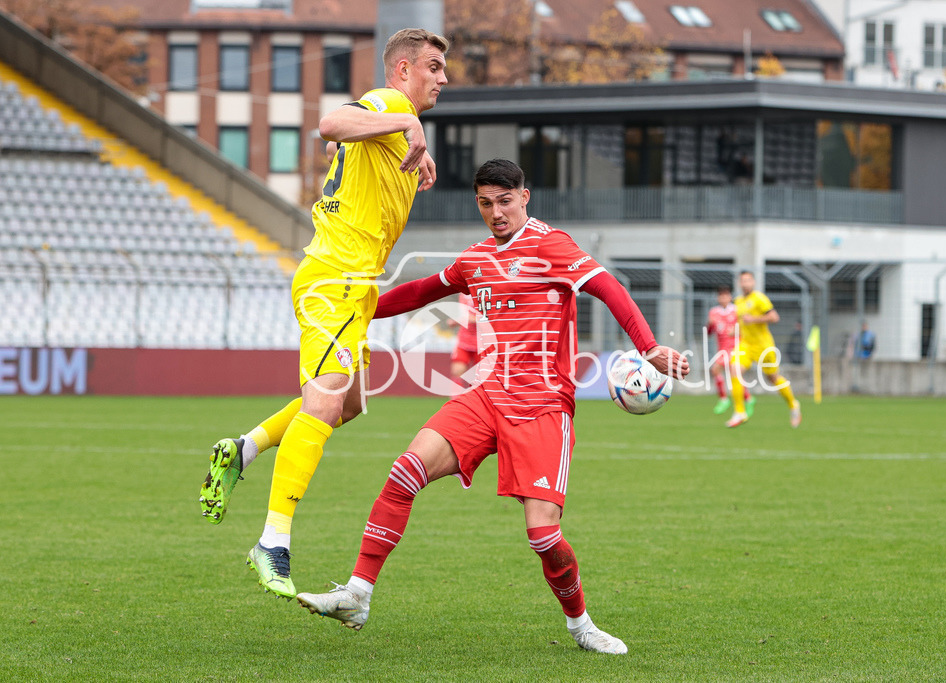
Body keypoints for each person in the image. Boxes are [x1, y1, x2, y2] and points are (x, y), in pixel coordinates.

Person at [294, 159, 689, 654]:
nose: (496, 213)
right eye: (485, 203)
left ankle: (581, 625)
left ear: (526, 196)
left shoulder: (552, 246)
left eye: (505, 201)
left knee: (544, 536)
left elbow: (610, 290)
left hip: (543, 404)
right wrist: (358, 308)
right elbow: (422, 291)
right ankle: (357, 593)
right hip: (486, 396)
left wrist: (649, 347)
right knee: (403, 473)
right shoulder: (476, 258)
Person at [198, 28, 450, 601]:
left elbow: (344, 146)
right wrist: (404, 122)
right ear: (402, 69)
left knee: (350, 403)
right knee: (328, 397)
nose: (442, 79)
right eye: (433, 67)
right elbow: (330, 125)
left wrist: (410, 143)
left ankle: (244, 449)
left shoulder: (392, 127)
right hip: (334, 278)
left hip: (351, 284)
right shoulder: (389, 105)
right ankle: (272, 540)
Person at [725, 270, 801, 428]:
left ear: (753, 282)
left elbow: (774, 317)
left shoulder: (760, 299)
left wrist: (754, 319)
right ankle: (740, 412)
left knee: (773, 378)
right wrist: (734, 330)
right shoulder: (738, 301)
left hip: (763, 346)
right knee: (734, 369)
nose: (745, 283)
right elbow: (742, 322)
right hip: (746, 344)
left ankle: (793, 405)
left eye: (748, 280)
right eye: (742, 281)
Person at [707, 284, 751, 415]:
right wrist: (709, 324)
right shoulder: (714, 312)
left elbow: (746, 327)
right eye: (721, 296)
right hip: (722, 348)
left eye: (726, 295)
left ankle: (726, 399)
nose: (723, 298)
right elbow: (709, 332)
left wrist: (737, 330)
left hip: (736, 347)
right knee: (724, 373)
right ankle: (746, 399)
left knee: (722, 371)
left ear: (730, 297)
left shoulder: (736, 310)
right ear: (718, 298)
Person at [448, 292, 479, 386]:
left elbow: (489, 318)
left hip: (483, 343)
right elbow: (464, 315)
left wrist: (469, 319)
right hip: (464, 341)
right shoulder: (462, 294)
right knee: (457, 371)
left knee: (480, 376)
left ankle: (477, 399)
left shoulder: (486, 290)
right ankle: (456, 400)